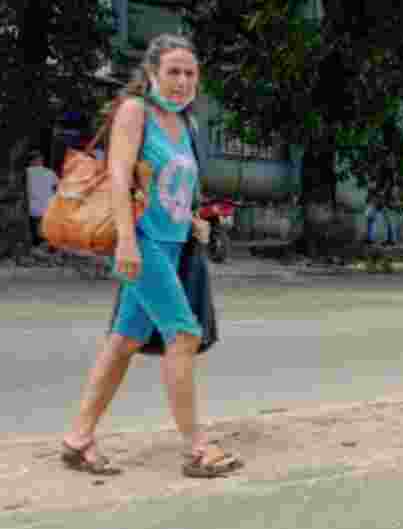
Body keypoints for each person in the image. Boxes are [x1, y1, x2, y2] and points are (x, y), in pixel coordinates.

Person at [61, 33, 243, 477]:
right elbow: (120, 177)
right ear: (152, 74)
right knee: (183, 334)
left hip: (173, 244)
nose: (181, 81)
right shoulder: (134, 112)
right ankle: (197, 449)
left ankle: (77, 439)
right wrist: (125, 241)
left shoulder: (187, 124)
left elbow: (178, 188)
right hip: (142, 242)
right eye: (173, 72)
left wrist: (195, 221)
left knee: (123, 343)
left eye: (189, 73)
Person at [26, 150, 58, 247]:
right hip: (47, 207)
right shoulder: (50, 172)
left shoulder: (26, 172)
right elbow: (57, 188)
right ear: (41, 160)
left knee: (34, 226)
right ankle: (46, 243)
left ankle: (36, 243)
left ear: (31, 161)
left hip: (32, 208)